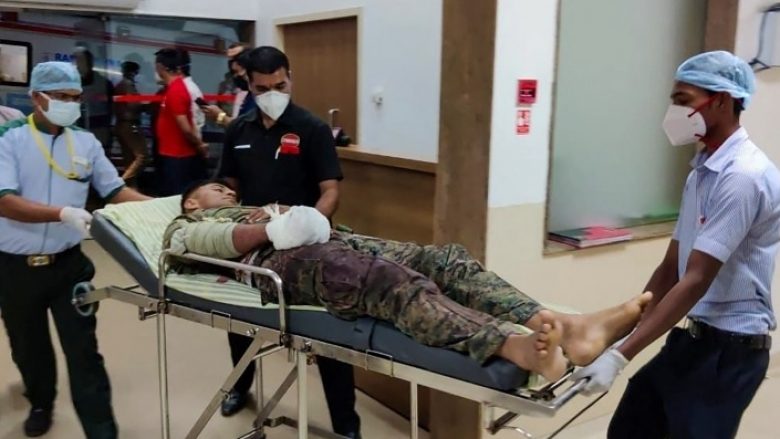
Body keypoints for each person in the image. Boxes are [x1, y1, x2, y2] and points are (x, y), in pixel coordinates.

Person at [163, 180, 653, 378]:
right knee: (387, 282)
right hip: (284, 265)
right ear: (191, 202)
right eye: (217, 188)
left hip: (330, 241)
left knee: (444, 261)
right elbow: (214, 243)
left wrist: (289, 215)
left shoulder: (253, 206)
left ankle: (564, 326)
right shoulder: (187, 226)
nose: (228, 191)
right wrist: (275, 224)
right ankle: (513, 347)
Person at [573, 51, 779, 439]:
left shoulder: (743, 176)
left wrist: (619, 357)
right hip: (693, 338)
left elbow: (696, 279)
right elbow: (671, 268)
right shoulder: (702, 172)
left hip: (730, 352)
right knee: (633, 424)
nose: (675, 112)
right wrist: (620, 329)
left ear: (721, 100)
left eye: (683, 100)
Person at [0, 61, 151, 438]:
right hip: (15, 268)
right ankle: (41, 402)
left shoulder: (85, 142)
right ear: (37, 97)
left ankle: (102, 430)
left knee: (84, 352)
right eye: (61, 97)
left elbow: (115, 191)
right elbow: (4, 201)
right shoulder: (9, 138)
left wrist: (163, 207)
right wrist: (62, 213)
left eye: (75, 98)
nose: (70, 105)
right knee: (28, 347)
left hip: (69, 266)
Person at [214, 45, 348, 436]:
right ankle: (239, 386)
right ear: (249, 85)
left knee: (328, 333)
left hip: (305, 245)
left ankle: (346, 422)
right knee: (238, 321)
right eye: (262, 88)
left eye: (280, 85)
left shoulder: (312, 129)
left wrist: (311, 223)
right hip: (254, 242)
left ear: (290, 78)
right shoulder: (238, 131)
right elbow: (227, 188)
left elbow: (330, 191)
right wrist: (227, 225)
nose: (273, 94)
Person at [154, 48, 208, 196]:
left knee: (178, 196)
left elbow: (186, 127)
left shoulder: (177, 90)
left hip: (178, 155)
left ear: (160, 67)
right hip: (171, 152)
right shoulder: (172, 88)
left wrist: (199, 144)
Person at [202, 43, 255, 128]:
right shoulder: (242, 93)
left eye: (236, 58)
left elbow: (241, 127)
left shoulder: (258, 94)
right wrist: (217, 115)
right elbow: (232, 124)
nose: (232, 64)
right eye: (230, 60)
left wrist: (219, 115)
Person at [73, 47, 114, 152]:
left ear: (89, 63)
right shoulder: (74, 82)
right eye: (77, 61)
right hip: (80, 130)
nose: (77, 64)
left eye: (81, 61)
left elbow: (111, 108)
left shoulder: (103, 84)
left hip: (99, 132)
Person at [113, 61, 147, 184]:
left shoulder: (119, 85)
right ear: (133, 72)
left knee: (129, 160)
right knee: (142, 157)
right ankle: (120, 184)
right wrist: (146, 105)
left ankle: (130, 187)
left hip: (121, 124)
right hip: (130, 124)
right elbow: (133, 105)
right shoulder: (128, 84)